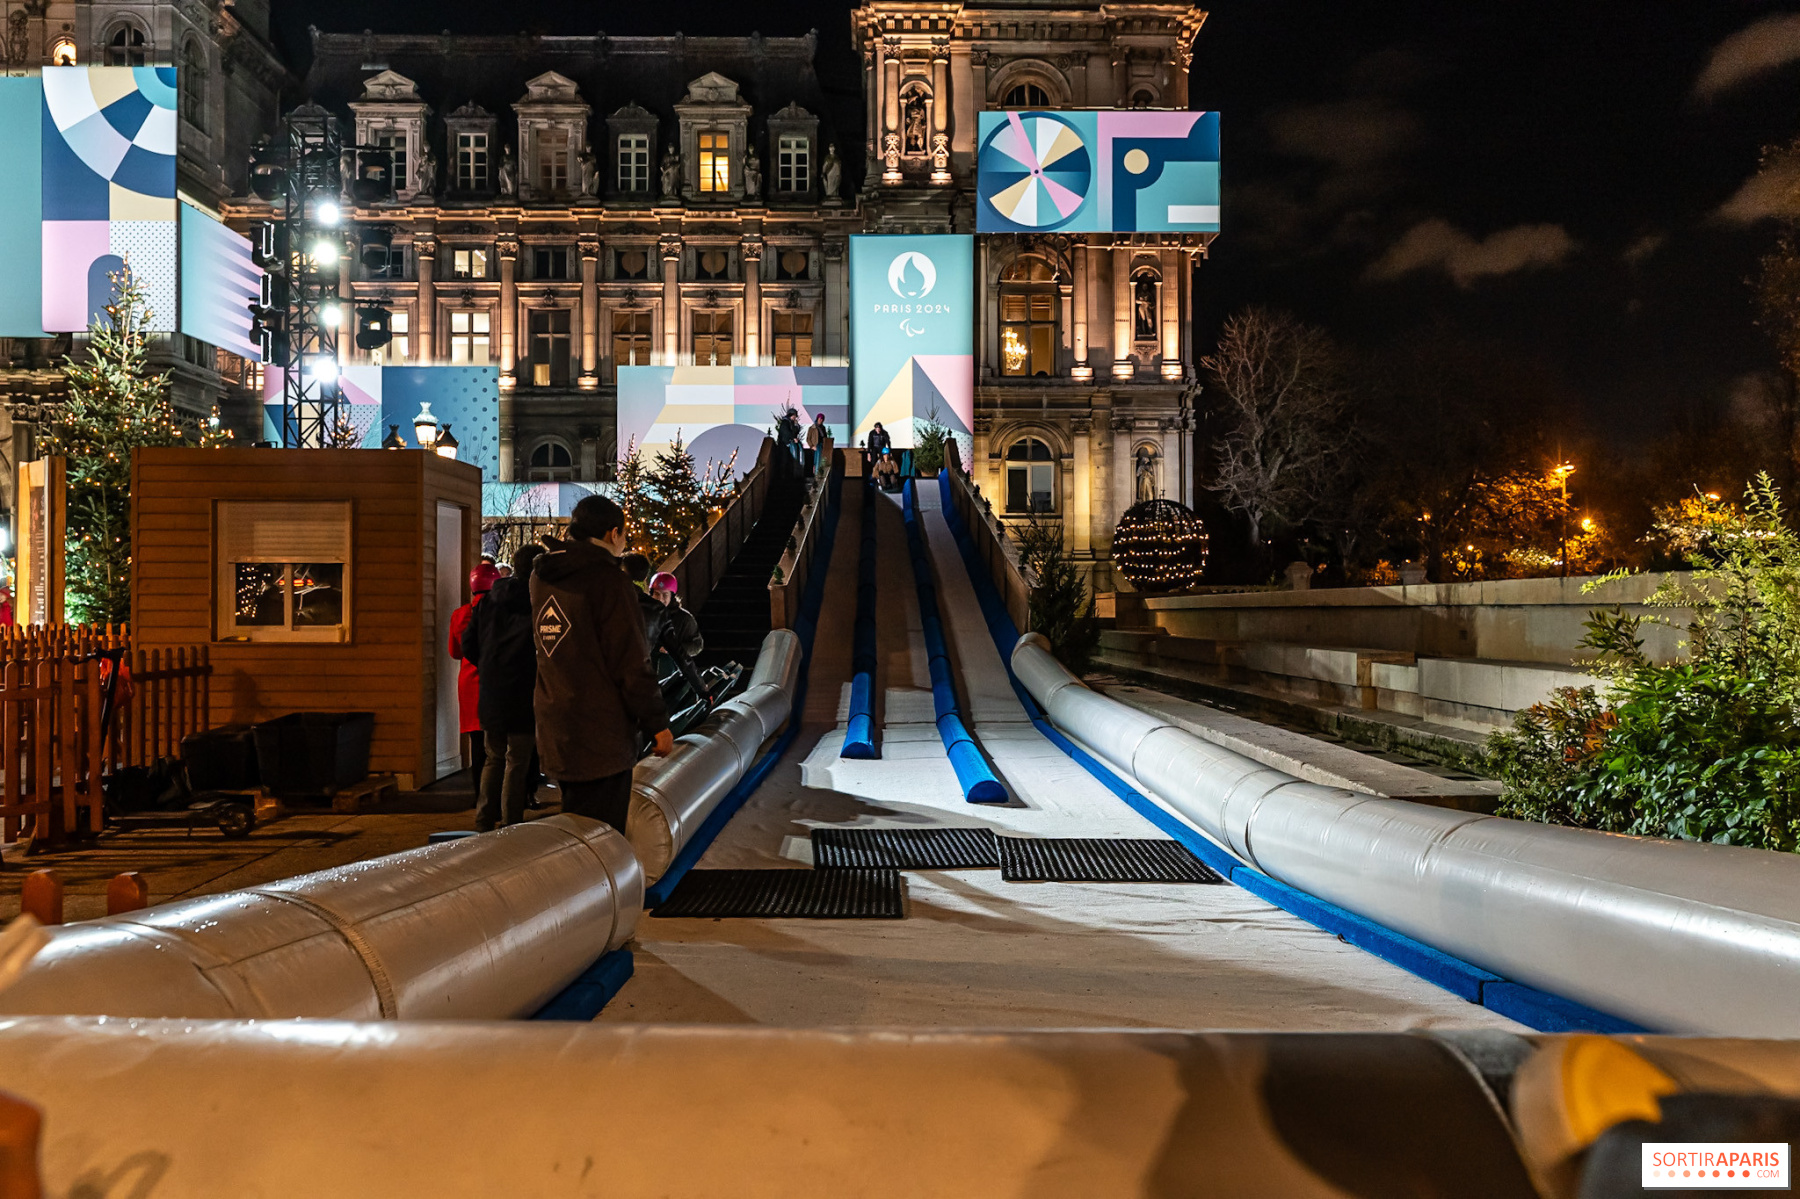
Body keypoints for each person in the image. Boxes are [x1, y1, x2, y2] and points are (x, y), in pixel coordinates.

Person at [532, 494, 673, 833]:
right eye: (624, 535)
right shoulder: (609, 581)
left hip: (556, 724)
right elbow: (629, 661)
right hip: (601, 734)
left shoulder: (542, 578)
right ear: (613, 534)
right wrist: (657, 723)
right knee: (602, 840)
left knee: (574, 831)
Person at [460, 544, 542, 831]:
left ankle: (484, 819)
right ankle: (511, 824)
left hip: (492, 690)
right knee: (517, 760)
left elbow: (467, 643)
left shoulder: (488, 601)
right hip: (524, 690)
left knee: (492, 757)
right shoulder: (538, 602)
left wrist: (488, 666)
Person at [449, 561, 499, 791]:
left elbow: (454, 652)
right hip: (496, 683)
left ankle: (478, 793)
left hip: (469, 683)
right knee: (498, 746)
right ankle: (495, 795)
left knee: (477, 744)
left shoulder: (460, 615)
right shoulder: (500, 614)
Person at [640, 571, 707, 703]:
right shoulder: (643, 615)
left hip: (673, 675)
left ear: (672, 596)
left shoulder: (684, 619)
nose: (660, 599)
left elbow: (697, 645)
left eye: (665, 595)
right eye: (656, 594)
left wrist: (676, 648)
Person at [803, 412, 829, 477]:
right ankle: (816, 472)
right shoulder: (812, 428)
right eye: (820, 419)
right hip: (815, 446)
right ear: (817, 419)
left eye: (822, 419)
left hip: (822, 445)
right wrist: (812, 446)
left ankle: (820, 471)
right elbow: (808, 438)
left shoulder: (823, 428)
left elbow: (825, 437)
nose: (821, 420)